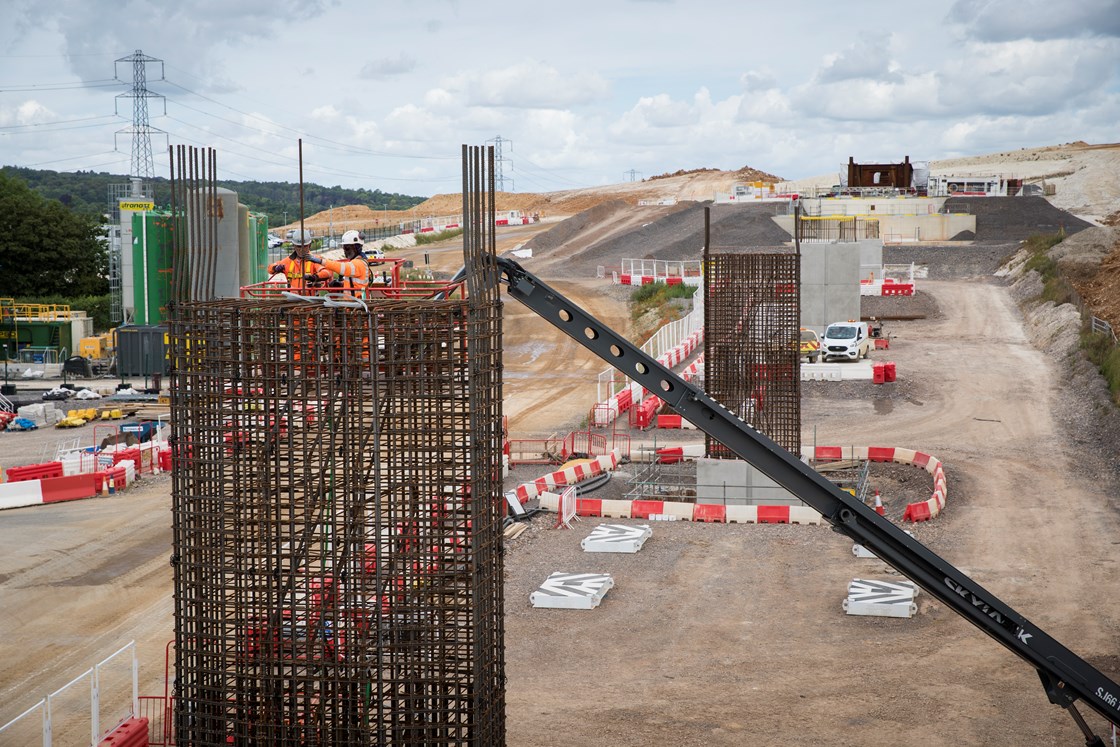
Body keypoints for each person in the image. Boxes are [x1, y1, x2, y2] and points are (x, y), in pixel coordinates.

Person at [306, 230, 371, 293]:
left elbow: (341, 267)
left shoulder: (359, 263)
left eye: (347, 248)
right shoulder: (356, 262)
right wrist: (341, 284)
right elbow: (355, 283)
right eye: (343, 247)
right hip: (352, 301)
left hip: (357, 302)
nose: (345, 251)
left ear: (356, 247)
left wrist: (321, 261)